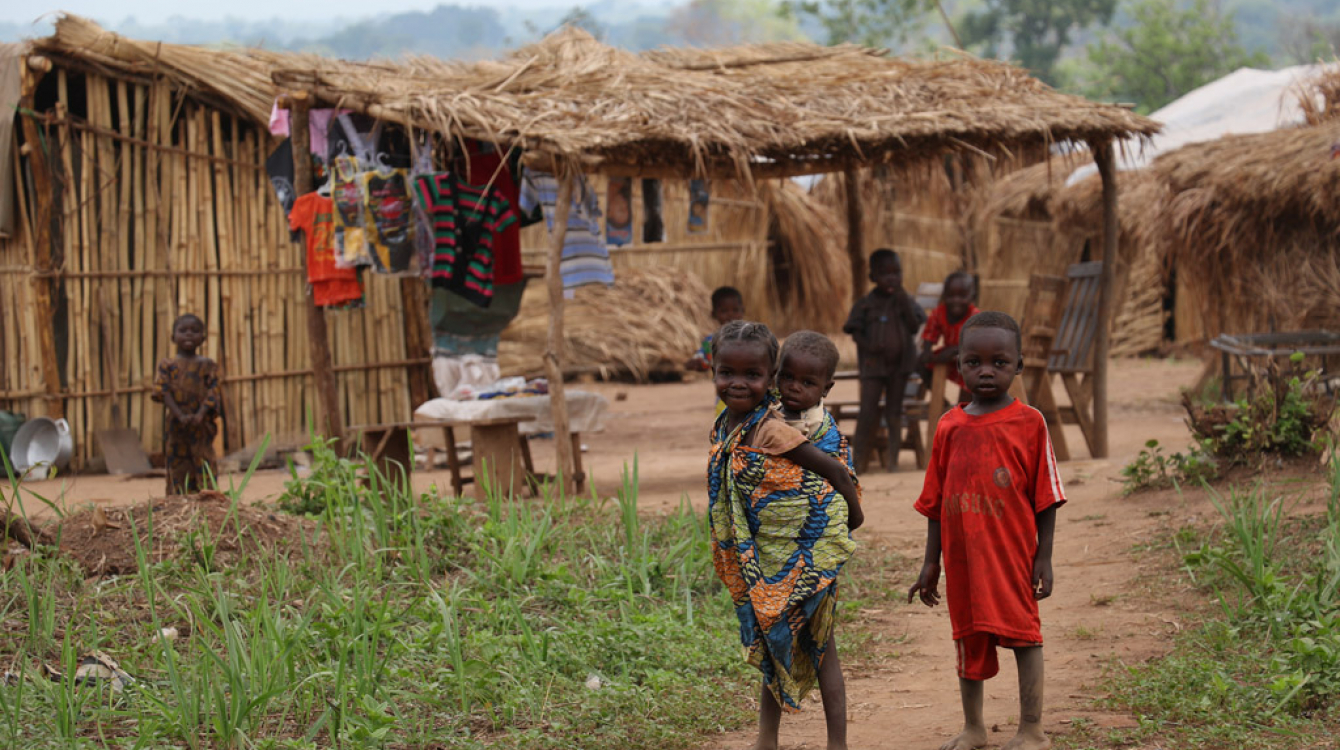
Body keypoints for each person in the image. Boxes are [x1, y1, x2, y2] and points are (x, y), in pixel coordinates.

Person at [907, 311, 1065, 750]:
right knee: (968, 638)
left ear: (1019, 366)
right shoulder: (948, 427)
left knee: (1024, 636)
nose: (986, 371)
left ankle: (1031, 728)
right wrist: (929, 563)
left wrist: (1044, 557)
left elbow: (1047, 497)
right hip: (962, 562)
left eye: (999, 362)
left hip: (1011, 556)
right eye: (974, 362)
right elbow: (935, 504)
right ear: (959, 367)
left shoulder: (1030, 423)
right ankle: (973, 727)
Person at [707, 320, 864, 750]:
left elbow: (832, 471)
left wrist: (851, 517)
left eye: (751, 375)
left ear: (767, 376)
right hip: (768, 559)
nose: (737, 383)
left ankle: (836, 744)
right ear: (712, 369)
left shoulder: (771, 428)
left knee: (823, 647)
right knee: (775, 647)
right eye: (727, 373)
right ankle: (766, 739)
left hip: (805, 557)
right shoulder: (732, 424)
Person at [843, 249, 925, 472]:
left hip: (900, 367)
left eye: (896, 273)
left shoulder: (905, 300)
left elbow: (914, 325)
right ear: (873, 277)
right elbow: (854, 331)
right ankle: (857, 462)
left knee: (894, 412)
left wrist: (903, 302)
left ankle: (893, 461)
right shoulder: (866, 303)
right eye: (885, 273)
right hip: (873, 366)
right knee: (867, 410)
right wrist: (870, 346)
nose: (892, 278)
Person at [152, 313, 223, 496]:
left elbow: (213, 392)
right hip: (176, 426)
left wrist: (200, 415)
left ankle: (208, 501)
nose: (189, 334)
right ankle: (178, 503)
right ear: (173, 337)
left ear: (203, 337)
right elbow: (162, 390)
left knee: (205, 461)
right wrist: (179, 415)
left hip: (202, 427)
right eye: (183, 330)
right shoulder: (168, 365)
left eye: (195, 330)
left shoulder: (208, 366)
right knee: (177, 463)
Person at [920, 271, 980, 403]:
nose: (956, 300)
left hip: (969, 356)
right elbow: (930, 332)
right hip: (948, 357)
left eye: (962, 296)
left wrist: (953, 350)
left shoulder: (974, 317)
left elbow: (974, 345)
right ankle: (940, 401)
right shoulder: (939, 312)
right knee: (919, 362)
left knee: (972, 370)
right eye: (951, 296)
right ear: (944, 295)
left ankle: (964, 408)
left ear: (971, 297)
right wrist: (926, 350)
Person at [775, 330, 840, 438]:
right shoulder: (773, 406)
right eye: (788, 377)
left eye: (807, 383)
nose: (794, 387)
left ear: (826, 389)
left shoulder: (812, 426)